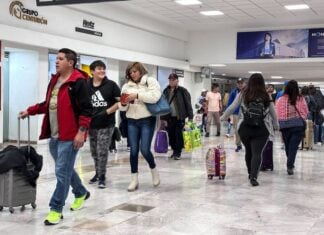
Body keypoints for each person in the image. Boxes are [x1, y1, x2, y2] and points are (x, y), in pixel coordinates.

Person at [19, 48, 92, 225]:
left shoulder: (78, 82)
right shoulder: (55, 80)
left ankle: (56, 209)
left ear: (70, 62)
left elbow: (87, 110)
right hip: (54, 135)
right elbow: (48, 104)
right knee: (65, 170)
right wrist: (30, 110)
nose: (56, 61)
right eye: (56, 59)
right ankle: (81, 192)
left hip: (70, 136)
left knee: (61, 172)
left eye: (60, 59)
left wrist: (81, 132)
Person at [221, 73, 278, 186]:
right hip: (262, 129)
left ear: (250, 82)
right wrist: (276, 125)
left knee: (249, 151)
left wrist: (223, 117)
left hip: (245, 128)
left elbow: (232, 107)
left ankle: (249, 173)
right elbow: (273, 112)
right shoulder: (266, 95)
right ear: (262, 83)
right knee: (257, 153)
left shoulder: (243, 93)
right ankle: (254, 176)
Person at [119, 62, 161, 192]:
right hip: (132, 120)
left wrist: (137, 95)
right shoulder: (126, 86)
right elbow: (122, 107)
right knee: (133, 151)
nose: (132, 74)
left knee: (144, 149)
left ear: (140, 71)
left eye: (135, 71)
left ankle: (154, 170)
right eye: (130, 72)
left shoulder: (150, 81)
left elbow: (154, 97)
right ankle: (134, 179)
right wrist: (124, 102)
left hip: (147, 120)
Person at [87, 60, 120, 188]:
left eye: (103, 69)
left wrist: (107, 111)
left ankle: (102, 176)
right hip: (91, 124)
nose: (102, 71)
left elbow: (120, 102)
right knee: (94, 151)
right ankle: (97, 172)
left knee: (102, 151)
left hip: (107, 123)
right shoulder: (86, 85)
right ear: (92, 72)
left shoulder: (111, 85)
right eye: (99, 69)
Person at [276, 80, 308, 175]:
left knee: (288, 146)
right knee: (293, 147)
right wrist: (301, 118)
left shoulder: (281, 99)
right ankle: (290, 165)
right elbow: (305, 111)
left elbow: (277, 112)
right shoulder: (300, 98)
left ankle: (290, 164)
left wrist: (280, 122)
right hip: (298, 125)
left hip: (285, 126)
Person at [162, 73, 194, 160]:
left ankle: (178, 152)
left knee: (178, 135)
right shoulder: (166, 91)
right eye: (170, 80)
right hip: (169, 117)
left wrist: (190, 117)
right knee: (171, 135)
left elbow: (188, 104)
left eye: (173, 80)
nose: (171, 82)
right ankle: (174, 151)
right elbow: (163, 105)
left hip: (180, 117)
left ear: (177, 81)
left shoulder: (183, 91)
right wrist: (163, 118)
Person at [227, 77, 245, 152]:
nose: (240, 85)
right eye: (239, 83)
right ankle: (238, 145)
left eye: (241, 83)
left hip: (246, 114)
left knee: (246, 129)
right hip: (236, 113)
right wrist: (229, 114)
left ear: (244, 83)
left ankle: (248, 144)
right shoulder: (233, 92)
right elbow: (230, 104)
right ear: (237, 84)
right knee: (237, 129)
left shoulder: (248, 92)